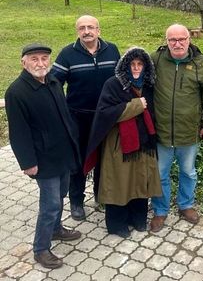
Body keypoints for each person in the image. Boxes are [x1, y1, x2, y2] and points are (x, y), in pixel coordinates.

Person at [5, 43, 82, 269]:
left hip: (63, 153)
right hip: (43, 159)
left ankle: (57, 229)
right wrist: (28, 163)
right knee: (49, 204)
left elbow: (64, 115)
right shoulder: (16, 92)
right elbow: (18, 133)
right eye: (34, 59)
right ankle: (41, 249)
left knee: (61, 195)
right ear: (24, 62)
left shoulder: (53, 82)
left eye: (44, 59)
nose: (40, 64)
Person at [85, 47, 162, 238]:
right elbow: (104, 113)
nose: (136, 68)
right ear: (125, 66)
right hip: (120, 145)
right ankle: (116, 224)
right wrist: (136, 105)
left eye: (139, 64)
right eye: (132, 64)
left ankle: (137, 219)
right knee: (120, 183)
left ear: (145, 67)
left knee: (140, 182)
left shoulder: (148, 85)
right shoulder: (113, 84)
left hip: (144, 144)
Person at [52, 15, 120, 221]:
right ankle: (76, 201)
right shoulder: (67, 54)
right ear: (77, 32)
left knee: (105, 158)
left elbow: (121, 77)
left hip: (106, 117)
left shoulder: (113, 50)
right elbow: (54, 83)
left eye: (91, 27)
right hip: (78, 118)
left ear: (99, 30)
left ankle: (102, 195)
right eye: (82, 28)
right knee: (78, 161)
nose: (87, 31)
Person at [150, 24, 203, 232]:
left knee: (188, 172)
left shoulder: (200, 63)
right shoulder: (156, 60)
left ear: (189, 39)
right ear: (166, 41)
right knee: (160, 174)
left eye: (182, 39)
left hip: (189, 132)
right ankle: (160, 210)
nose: (177, 44)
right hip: (161, 132)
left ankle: (185, 205)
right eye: (172, 40)